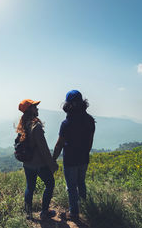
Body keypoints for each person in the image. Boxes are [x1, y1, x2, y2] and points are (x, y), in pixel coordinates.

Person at [53, 90, 95, 220]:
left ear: (68, 104)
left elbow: (59, 144)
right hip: (84, 158)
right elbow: (90, 141)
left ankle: (74, 212)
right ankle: (84, 208)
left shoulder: (66, 123)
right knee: (81, 183)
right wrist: (85, 153)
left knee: (71, 187)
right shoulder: (90, 120)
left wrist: (52, 159)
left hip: (70, 159)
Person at [17, 99, 58, 220]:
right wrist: (52, 165)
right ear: (30, 109)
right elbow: (44, 149)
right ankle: (44, 212)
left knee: (30, 187)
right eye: (35, 106)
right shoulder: (36, 126)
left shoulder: (23, 124)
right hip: (39, 164)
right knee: (50, 184)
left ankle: (28, 214)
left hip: (27, 163)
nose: (37, 108)